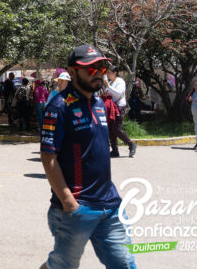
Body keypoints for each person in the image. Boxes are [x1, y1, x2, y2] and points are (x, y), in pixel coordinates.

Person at [40, 44, 136, 269]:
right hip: (78, 208)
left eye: (101, 67)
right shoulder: (58, 106)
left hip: (110, 204)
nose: (99, 73)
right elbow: (48, 156)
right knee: (61, 266)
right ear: (72, 72)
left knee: (125, 264)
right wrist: (68, 202)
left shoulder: (99, 103)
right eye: (91, 69)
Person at [104, 66, 137, 158]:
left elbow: (118, 93)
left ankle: (131, 144)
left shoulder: (120, 81)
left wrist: (108, 86)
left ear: (115, 73)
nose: (108, 74)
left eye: (110, 72)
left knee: (116, 128)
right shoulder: (110, 82)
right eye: (107, 72)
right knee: (111, 129)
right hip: (111, 108)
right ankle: (115, 150)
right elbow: (108, 93)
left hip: (119, 107)